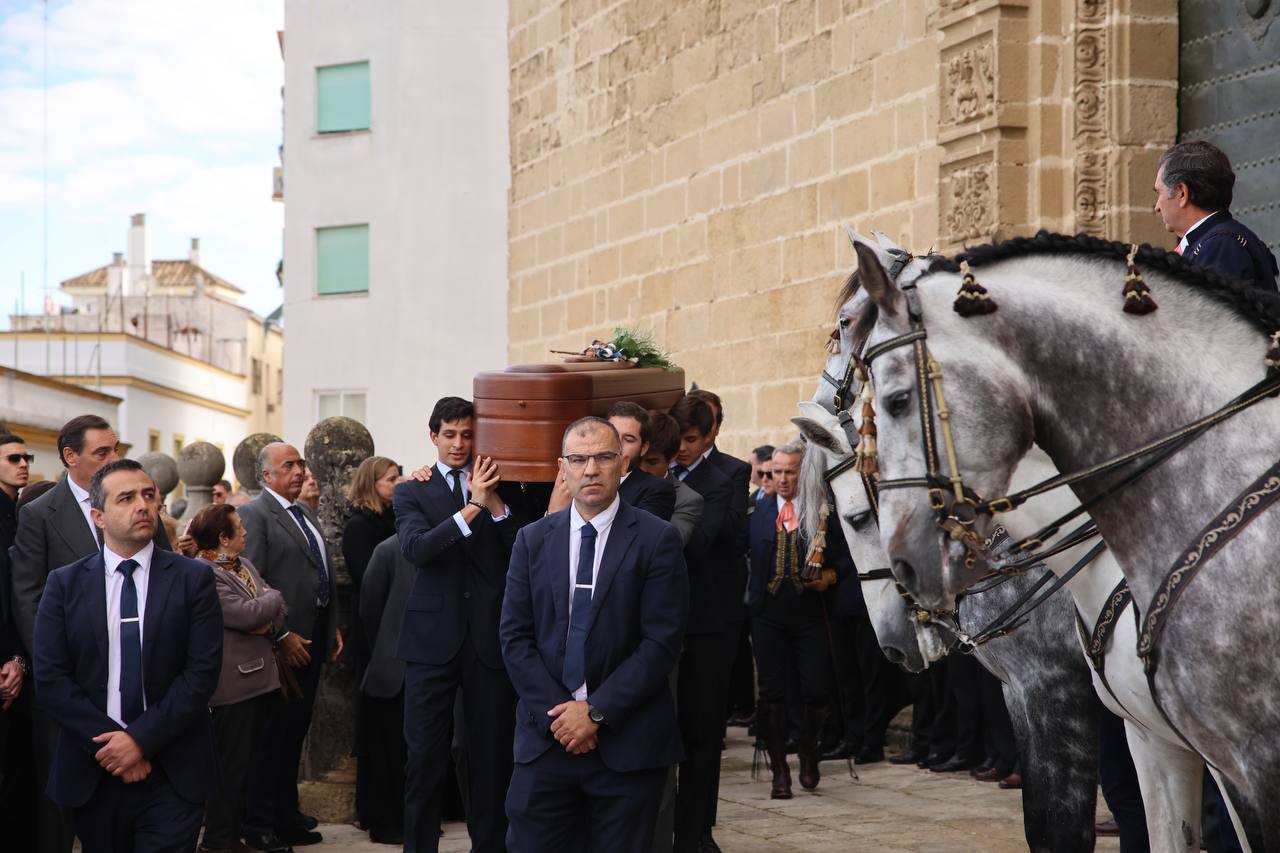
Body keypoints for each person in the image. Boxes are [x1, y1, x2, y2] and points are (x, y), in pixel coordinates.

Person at [500, 416, 688, 853]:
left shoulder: (658, 539)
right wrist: (563, 717)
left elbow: (661, 643)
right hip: (546, 742)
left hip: (626, 745)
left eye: (603, 457)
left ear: (623, 463)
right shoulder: (531, 541)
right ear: (560, 468)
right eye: (579, 459)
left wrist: (596, 713)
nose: (591, 469)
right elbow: (514, 638)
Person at [33, 459, 222, 852]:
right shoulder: (64, 584)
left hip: (174, 769)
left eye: (149, 496)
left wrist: (139, 740)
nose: (143, 505)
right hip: (95, 768)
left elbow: (201, 673)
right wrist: (114, 746)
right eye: (127, 498)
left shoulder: (194, 579)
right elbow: (51, 679)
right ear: (98, 516)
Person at [11, 414, 171, 853]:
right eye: (102, 452)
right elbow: (28, 598)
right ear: (69, 457)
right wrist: (53, 670)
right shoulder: (41, 514)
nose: (113, 459)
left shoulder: (139, 504)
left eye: (116, 449)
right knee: (62, 799)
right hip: (70, 687)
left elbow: (168, 577)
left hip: (139, 679)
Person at [394, 397, 517, 853]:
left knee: (490, 757)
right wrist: (472, 508)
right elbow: (418, 549)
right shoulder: (411, 490)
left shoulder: (501, 481)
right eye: (450, 434)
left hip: (488, 640)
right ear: (433, 437)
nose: (459, 443)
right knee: (424, 757)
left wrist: (494, 501)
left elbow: (520, 548)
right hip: (430, 642)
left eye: (467, 434)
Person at [238, 442, 341, 850]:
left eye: (300, 463)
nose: (299, 470)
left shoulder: (304, 513)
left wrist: (329, 623)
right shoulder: (255, 513)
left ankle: (286, 814)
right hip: (278, 644)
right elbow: (251, 582)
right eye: (289, 465)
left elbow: (319, 572)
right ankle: (259, 822)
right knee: (269, 737)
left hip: (313, 637)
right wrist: (280, 634)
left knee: (294, 733)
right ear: (267, 475)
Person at [748, 442, 852, 799]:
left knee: (817, 691)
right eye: (775, 472)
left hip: (810, 615)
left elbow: (846, 558)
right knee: (771, 694)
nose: (781, 479)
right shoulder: (757, 511)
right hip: (768, 615)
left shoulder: (822, 511)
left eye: (789, 471)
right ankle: (780, 771)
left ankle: (809, 748)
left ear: (802, 473)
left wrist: (829, 577)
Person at [187, 503, 286, 853]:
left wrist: (266, 607)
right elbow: (247, 614)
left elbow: (272, 608)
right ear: (223, 538)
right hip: (233, 684)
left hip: (261, 678)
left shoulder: (242, 564)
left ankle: (233, 836)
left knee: (254, 762)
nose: (245, 533)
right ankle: (218, 841)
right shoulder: (206, 572)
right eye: (239, 529)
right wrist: (268, 602)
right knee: (231, 766)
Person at [667, 395, 737, 853]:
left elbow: (701, 537)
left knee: (702, 730)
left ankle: (697, 830)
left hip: (708, 619)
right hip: (665, 617)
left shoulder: (727, 475)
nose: (683, 450)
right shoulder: (661, 473)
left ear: (710, 434)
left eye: (691, 440)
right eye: (679, 441)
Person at [341, 454, 400, 837]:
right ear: (371, 483)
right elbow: (371, 584)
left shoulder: (392, 520)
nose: (397, 484)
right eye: (390, 480)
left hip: (394, 633)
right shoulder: (361, 527)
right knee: (377, 729)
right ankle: (376, 813)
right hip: (374, 635)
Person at [1153, 140, 1278, 291]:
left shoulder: (1219, 245)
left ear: (1182, 193)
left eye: (1159, 192)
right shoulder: (1216, 240)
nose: (1157, 207)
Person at [358, 535, 414, 845]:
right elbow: (370, 609)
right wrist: (387, 649)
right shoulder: (386, 550)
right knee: (387, 755)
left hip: (426, 671)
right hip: (391, 672)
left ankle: (412, 819)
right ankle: (386, 823)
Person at [0, 434, 34, 850]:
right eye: (13, 458)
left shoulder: (23, 514)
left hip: (20, 660)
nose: (23, 463)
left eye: (27, 457)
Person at [609, 401, 676, 521]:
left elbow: (639, 535)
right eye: (612, 435)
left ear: (643, 448)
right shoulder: (582, 476)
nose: (617, 445)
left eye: (628, 439)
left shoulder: (657, 490)